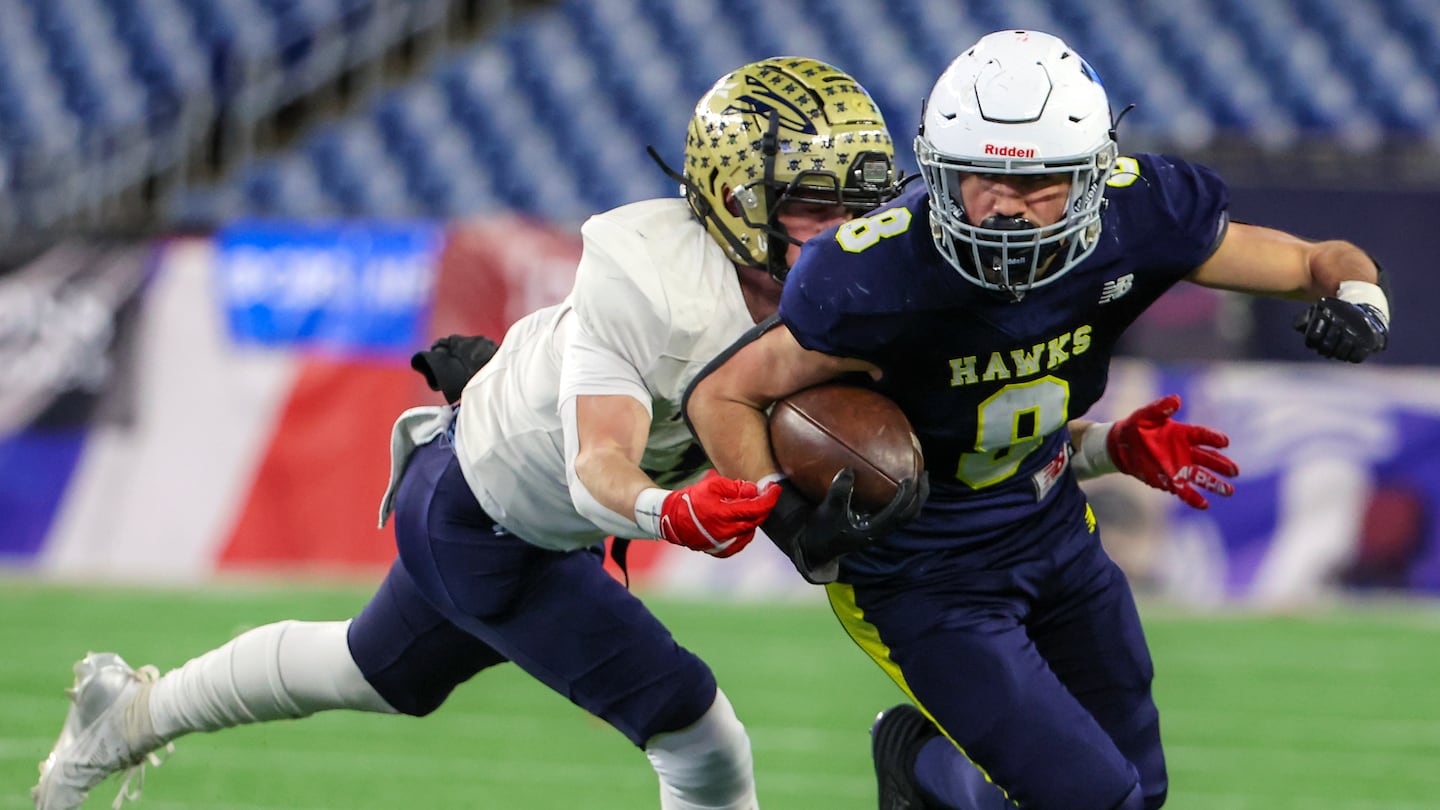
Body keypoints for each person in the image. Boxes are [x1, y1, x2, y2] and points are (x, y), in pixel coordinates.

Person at [31, 56, 903, 810]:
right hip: (488, 515)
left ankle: (128, 715)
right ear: (733, 196)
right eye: (814, 205)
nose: (842, 233)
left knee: (368, 672)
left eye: (858, 205)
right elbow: (598, 456)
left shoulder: (832, 285)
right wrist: (667, 514)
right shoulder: (649, 275)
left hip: (494, 491)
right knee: (699, 734)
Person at [683, 30, 1391, 810]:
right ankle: (924, 765)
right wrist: (783, 514)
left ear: (1093, 176)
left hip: (1051, 529)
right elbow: (722, 393)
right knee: (1095, 799)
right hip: (920, 570)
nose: (1001, 206)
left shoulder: (1140, 214)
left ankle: (924, 771)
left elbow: (1313, 260)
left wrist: (1358, 299)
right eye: (977, 178)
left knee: (1138, 791)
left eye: (1039, 183)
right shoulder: (873, 273)